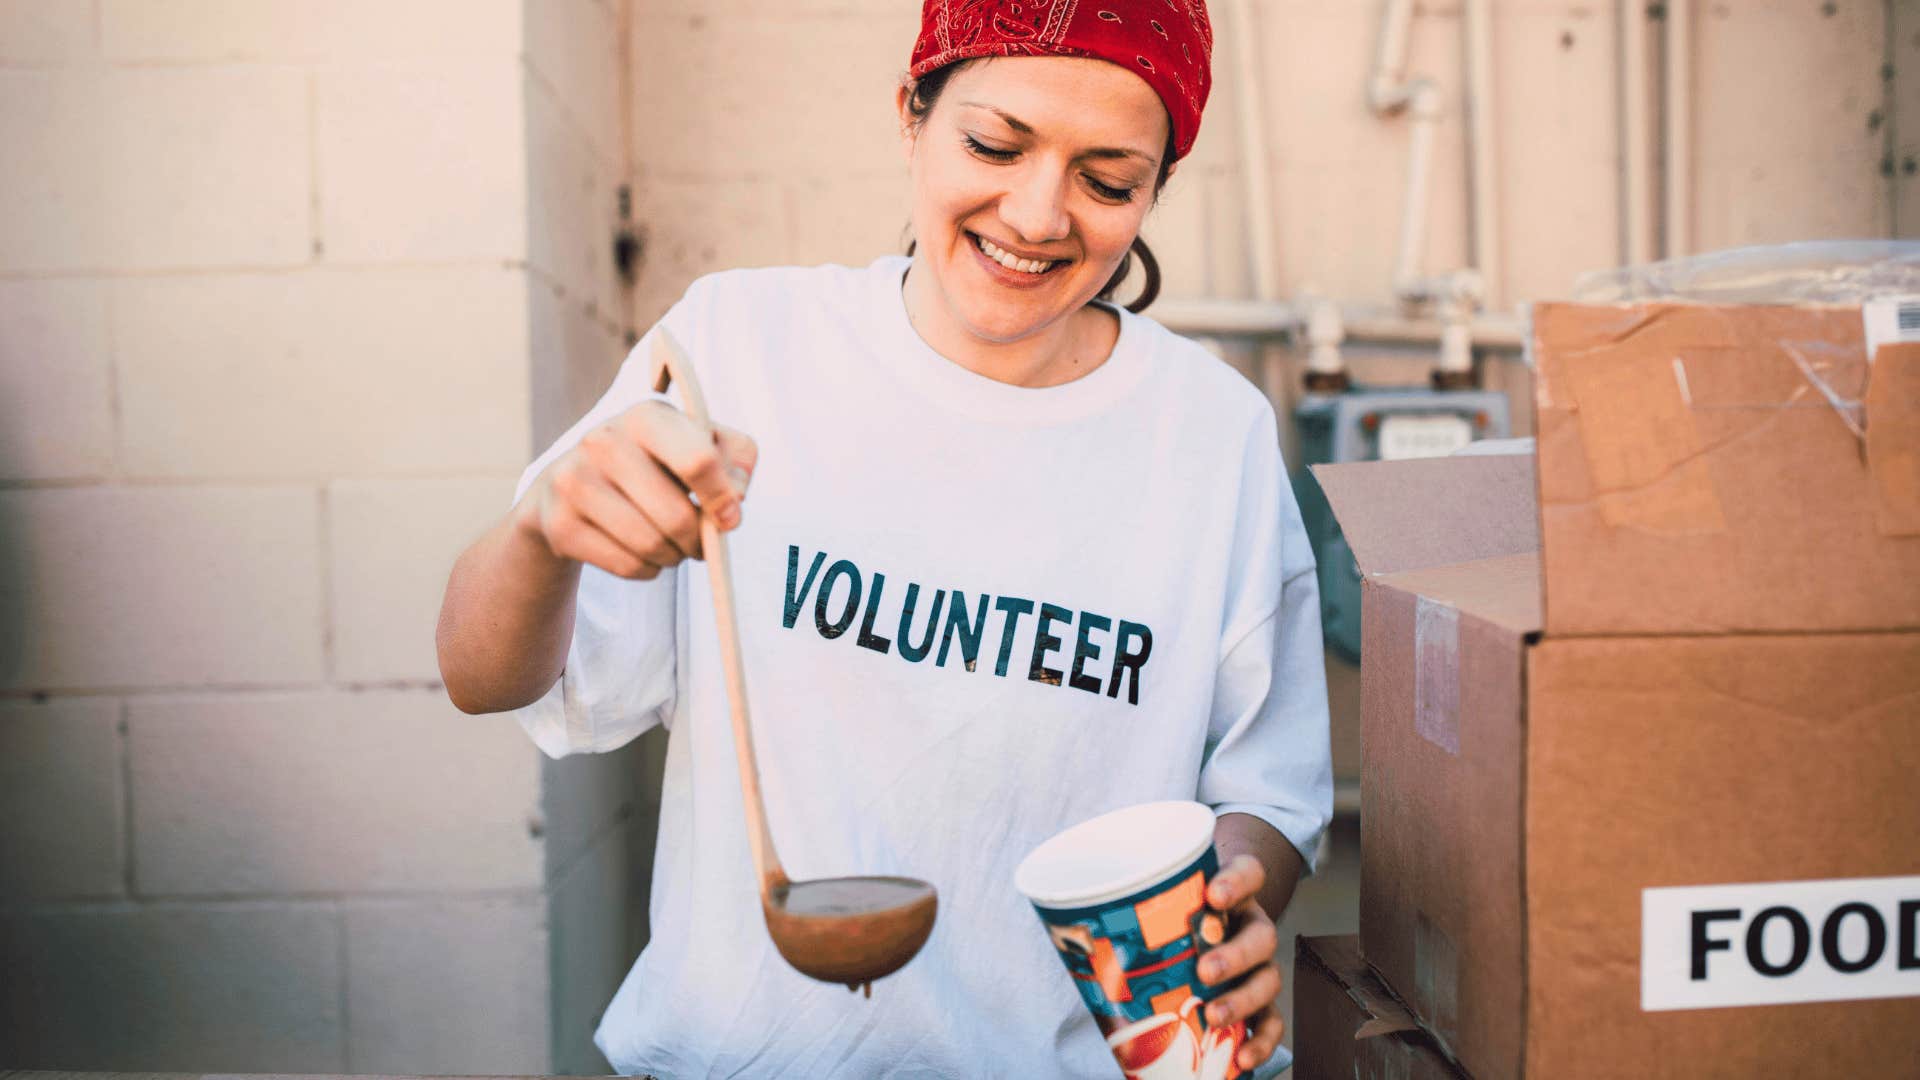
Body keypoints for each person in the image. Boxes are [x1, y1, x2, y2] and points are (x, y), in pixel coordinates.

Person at [437, 2, 1332, 1075]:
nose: (1039, 215)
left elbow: (1267, 794)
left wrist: (1231, 902)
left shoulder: (1212, 432)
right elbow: (484, 678)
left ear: (1156, 189)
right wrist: (543, 534)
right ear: (912, 116)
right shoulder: (738, 346)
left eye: (1108, 180)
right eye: (994, 145)